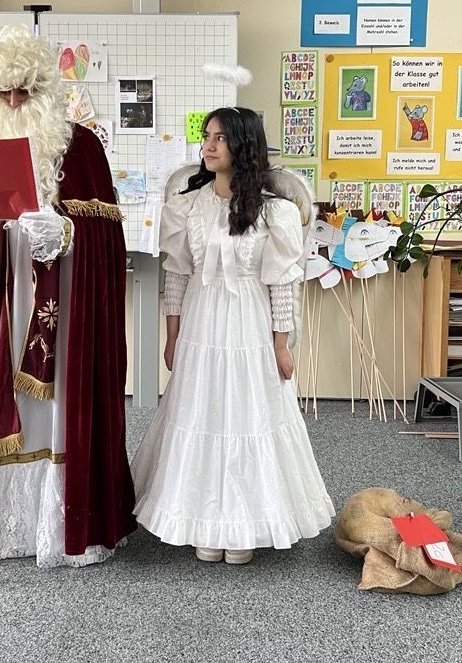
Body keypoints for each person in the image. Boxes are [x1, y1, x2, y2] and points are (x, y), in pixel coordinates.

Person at [0, 26, 136, 567]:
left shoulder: (83, 147)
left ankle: (71, 526)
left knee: (60, 410)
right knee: (5, 404)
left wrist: (68, 231)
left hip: (67, 307)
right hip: (3, 305)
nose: (13, 101)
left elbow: (110, 240)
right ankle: (8, 525)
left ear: (46, 89)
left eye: (24, 90)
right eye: (2, 92)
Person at [131, 106, 335, 565]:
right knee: (200, 411)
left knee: (249, 414)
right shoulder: (187, 205)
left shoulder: (275, 211)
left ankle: (244, 522)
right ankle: (203, 521)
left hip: (249, 322)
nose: (208, 145)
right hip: (201, 321)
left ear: (242, 144)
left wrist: (282, 343)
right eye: (207, 136)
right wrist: (171, 335)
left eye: (220, 138)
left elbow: (282, 281)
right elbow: (177, 274)